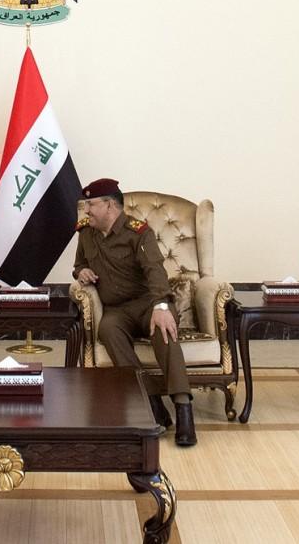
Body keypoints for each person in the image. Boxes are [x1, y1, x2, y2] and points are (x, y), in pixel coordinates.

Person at [74, 178, 197, 446]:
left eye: (91, 205)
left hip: (147, 303)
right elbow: (79, 263)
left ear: (109, 205)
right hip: (118, 310)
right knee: (107, 329)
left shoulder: (139, 232)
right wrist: (80, 271)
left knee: (164, 330)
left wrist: (162, 307)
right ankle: (152, 403)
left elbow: (155, 270)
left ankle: (183, 406)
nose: (86, 211)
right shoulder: (86, 233)